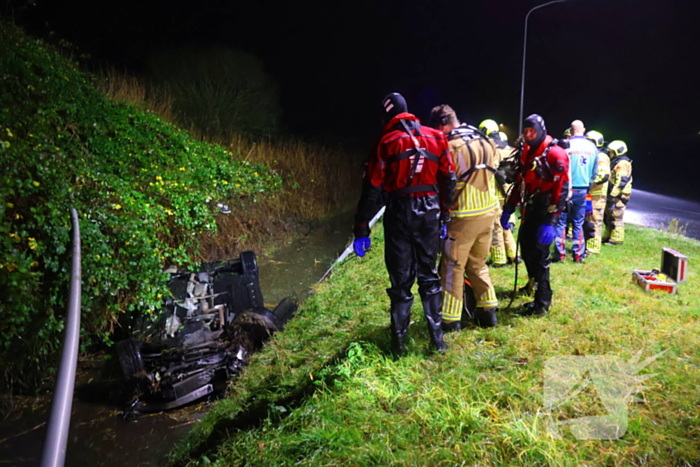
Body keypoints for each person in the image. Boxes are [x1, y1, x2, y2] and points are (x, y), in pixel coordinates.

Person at [353, 93, 456, 355]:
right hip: (430, 210)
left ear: (386, 115)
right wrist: (445, 212)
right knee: (429, 275)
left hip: (400, 211)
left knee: (400, 280)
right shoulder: (437, 136)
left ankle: (399, 344)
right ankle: (437, 340)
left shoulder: (385, 142)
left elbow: (372, 187)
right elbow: (449, 177)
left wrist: (362, 227)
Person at [428, 107, 500, 330]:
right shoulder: (486, 141)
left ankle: (450, 321)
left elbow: (444, 181)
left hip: (463, 216)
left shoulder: (448, 146)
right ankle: (488, 313)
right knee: (478, 263)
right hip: (489, 212)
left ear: (440, 125)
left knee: (452, 267)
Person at [501, 114, 570, 316]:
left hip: (546, 209)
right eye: (526, 131)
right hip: (530, 207)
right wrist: (509, 206)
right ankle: (533, 285)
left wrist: (552, 221)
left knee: (540, 255)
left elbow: (562, 188)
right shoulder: (527, 152)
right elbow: (521, 180)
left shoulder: (555, 154)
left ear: (541, 131)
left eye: (532, 131)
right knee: (526, 248)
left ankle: (542, 302)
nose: (529, 135)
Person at [553, 120, 598, 263]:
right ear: (583, 130)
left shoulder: (565, 146)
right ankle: (578, 255)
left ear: (571, 131)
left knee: (560, 223)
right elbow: (594, 174)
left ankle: (560, 254)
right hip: (583, 189)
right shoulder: (592, 147)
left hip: (565, 189)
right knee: (578, 223)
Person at [478, 119, 518, 268]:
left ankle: (499, 259)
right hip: (510, 193)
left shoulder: (490, 148)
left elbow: (493, 172)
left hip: (496, 193)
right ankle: (514, 255)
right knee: (505, 225)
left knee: (496, 228)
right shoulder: (510, 149)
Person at [584, 130, 610, 255]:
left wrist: (587, 183)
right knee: (588, 218)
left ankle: (593, 248)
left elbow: (602, 176)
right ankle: (587, 245)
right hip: (589, 194)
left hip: (597, 195)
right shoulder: (592, 154)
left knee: (595, 220)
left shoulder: (601, 157)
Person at [603, 140, 633, 245]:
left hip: (620, 194)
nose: (609, 153)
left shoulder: (622, 163)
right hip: (614, 193)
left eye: (611, 152)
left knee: (616, 215)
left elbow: (621, 181)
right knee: (608, 215)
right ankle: (608, 235)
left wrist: (613, 194)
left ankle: (616, 239)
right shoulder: (616, 161)